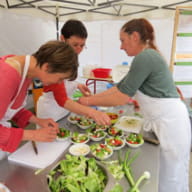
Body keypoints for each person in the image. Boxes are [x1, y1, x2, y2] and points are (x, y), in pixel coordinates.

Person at [78, 18, 191, 192]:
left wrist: (87, 102)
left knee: (172, 179)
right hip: (167, 121)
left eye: (123, 40)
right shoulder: (146, 55)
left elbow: (121, 97)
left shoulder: (145, 57)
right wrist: (93, 97)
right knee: (169, 175)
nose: (121, 47)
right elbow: (119, 87)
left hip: (171, 123)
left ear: (135, 36)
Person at [0, 40, 78, 158]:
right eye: (60, 78)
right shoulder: (7, 75)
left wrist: (38, 121)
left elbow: (11, 109)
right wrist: (33, 135)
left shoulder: (26, 73)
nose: (60, 83)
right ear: (47, 67)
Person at [36, 19, 111, 124]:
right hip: (51, 112)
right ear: (63, 39)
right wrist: (92, 112)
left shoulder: (71, 56)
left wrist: (78, 85)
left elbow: (65, 80)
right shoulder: (55, 58)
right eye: (75, 45)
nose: (79, 49)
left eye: (82, 45)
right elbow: (61, 99)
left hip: (65, 110)